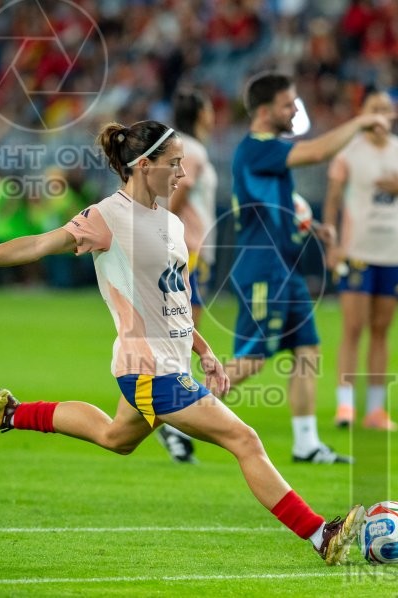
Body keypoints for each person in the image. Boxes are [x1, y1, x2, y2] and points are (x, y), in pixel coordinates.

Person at [0, 120, 365, 565]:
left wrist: (205, 351)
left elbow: (173, 302)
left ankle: (14, 413)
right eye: (173, 164)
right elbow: (37, 245)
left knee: (116, 437)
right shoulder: (106, 217)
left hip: (173, 364)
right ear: (143, 164)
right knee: (244, 439)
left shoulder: (171, 223)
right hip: (147, 369)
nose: (181, 174)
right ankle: (320, 535)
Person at [224, 71, 389, 464]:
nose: (295, 109)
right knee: (251, 359)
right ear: (264, 111)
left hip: (285, 268)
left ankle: (306, 443)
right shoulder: (255, 148)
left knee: (307, 349)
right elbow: (316, 152)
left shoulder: (269, 153)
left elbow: (273, 205)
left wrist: (311, 227)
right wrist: (361, 121)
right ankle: (174, 416)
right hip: (262, 266)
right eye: (288, 104)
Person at [323, 89, 398, 431]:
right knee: (353, 328)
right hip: (358, 251)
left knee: (382, 330)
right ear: (363, 112)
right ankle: (345, 406)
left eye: (386, 108)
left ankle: (375, 411)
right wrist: (332, 243)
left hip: (394, 250)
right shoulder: (349, 153)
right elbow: (333, 200)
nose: (381, 114)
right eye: (375, 108)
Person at [155, 87, 220, 464]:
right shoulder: (193, 151)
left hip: (194, 249)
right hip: (189, 250)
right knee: (181, 333)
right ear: (199, 113)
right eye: (210, 108)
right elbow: (180, 193)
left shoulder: (189, 148)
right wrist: (165, 231)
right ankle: (175, 421)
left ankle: (172, 418)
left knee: (180, 333)